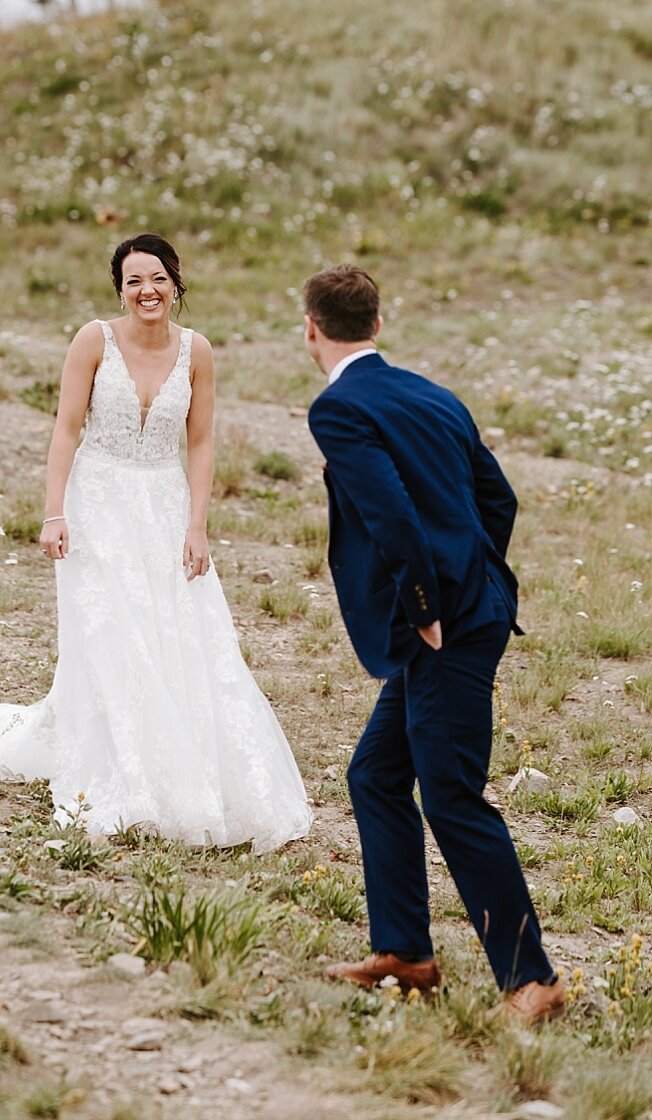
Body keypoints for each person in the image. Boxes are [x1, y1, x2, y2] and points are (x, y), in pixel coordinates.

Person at [0, 233, 311, 853]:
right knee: (110, 632)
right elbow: (66, 428)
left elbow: (201, 442)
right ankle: (125, 770)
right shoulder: (93, 340)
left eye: (156, 279)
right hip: (96, 501)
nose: (146, 291)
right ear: (119, 289)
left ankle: (179, 755)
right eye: (133, 281)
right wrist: (53, 513)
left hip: (165, 502)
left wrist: (198, 524)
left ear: (175, 285)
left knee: (179, 631)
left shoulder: (197, 352)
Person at [302, 265, 562, 1024]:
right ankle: (407, 954)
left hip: (442, 628)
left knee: (450, 793)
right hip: (465, 613)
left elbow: (390, 515)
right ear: (377, 325)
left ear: (310, 328)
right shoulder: (433, 395)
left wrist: (427, 602)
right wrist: (476, 578)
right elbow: (498, 499)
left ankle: (532, 980)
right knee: (377, 774)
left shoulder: (340, 408)